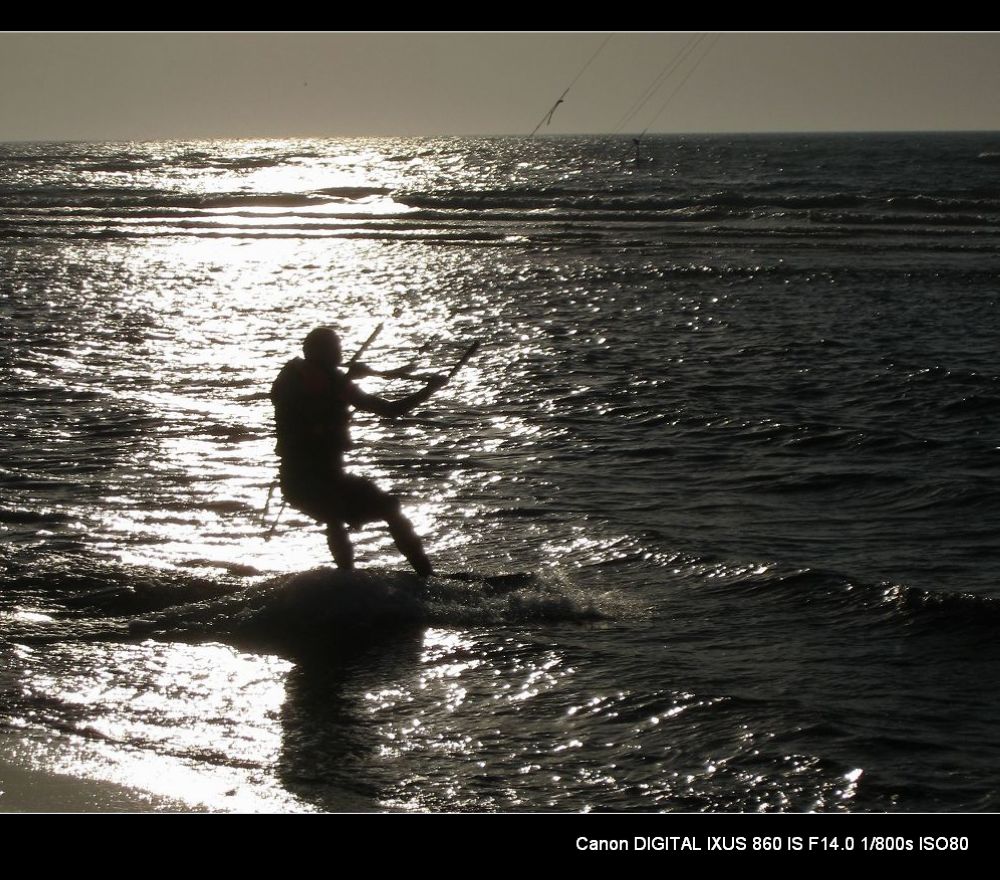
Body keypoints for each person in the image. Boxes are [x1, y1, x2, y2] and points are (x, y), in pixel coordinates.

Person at [270, 326, 447, 576]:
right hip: (307, 482)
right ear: (319, 352)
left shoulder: (313, 379)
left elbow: (384, 408)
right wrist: (430, 389)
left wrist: (345, 380)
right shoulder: (312, 382)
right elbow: (389, 410)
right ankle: (349, 579)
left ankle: (426, 576)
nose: (340, 352)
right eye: (335, 348)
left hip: (318, 479)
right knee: (335, 514)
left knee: (387, 508)